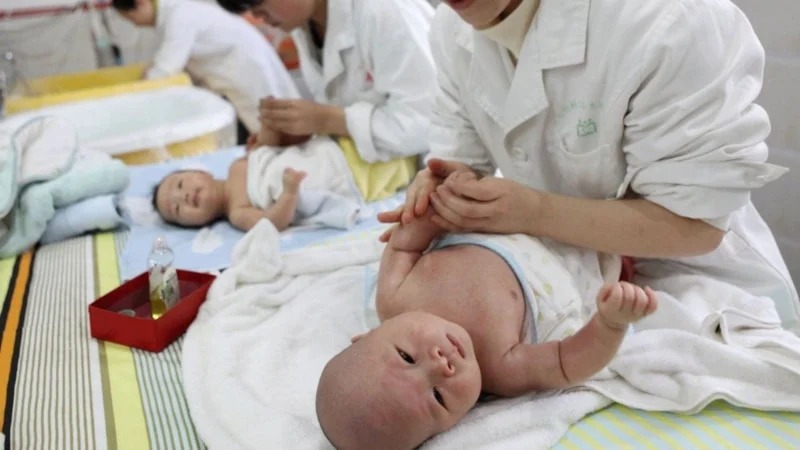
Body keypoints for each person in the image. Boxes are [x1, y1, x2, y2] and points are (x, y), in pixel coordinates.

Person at [383, 0, 799, 334]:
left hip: (690, 281)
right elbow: (463, 158)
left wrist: (533, 212)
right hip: (565, 273)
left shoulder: (669, 21)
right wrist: (446, 185)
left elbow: (697, 225)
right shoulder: (451, 28)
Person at [316, 170, 659, 449]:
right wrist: (611, 323)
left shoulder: (394, 296)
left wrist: (438, 205)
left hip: (513, 210)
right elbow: (567, 362)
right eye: (438, 397)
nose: (439, 364)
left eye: (406, 357)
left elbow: (406, 243)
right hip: (587, 249)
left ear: (368, 335)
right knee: (638, 210)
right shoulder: (501, 369)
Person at [216, 0, 436, 164]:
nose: (256, 14)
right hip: (377, 169)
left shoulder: (384, 10)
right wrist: (302, 132)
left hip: (429, 167)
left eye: (258, 1)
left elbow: (426, 122)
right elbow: (341, 103)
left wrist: (329, 120)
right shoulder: (306, 23)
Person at [111, 0, 300, 142]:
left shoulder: (180, 15)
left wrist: (135, 91)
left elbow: (166, 68)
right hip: (238, 74)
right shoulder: (177, 13)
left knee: (276, 128)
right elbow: (165, 60)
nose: (135, 24)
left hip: (248, 71)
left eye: (131, 18)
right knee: (267, 128)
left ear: (141, 3)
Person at [153, 138, 360, 231]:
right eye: (176, 209)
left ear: (201, 172)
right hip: (339, 177)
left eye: (179, 184)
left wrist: (266, 134)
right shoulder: (237, 212)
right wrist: (289, 193)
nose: (183, 196)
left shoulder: (236, 165)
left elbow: (270, 148)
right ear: (195, 225)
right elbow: (273, 222)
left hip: (328, 150)